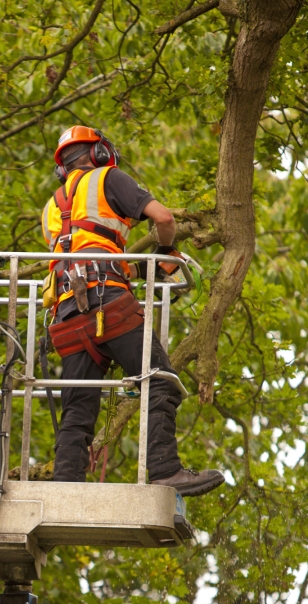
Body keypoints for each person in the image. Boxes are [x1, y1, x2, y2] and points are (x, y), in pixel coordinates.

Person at [41, 125, 224, 497]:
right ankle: (165, 471)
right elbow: (164, 219)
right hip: (107, 302)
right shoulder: (108, 177)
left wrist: (137, 269)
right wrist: (164, 252)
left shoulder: (52, 206)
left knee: (77, 407)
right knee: (160, 381)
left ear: (62, 168)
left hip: (66, 314)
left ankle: (64, 488)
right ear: (101, 153)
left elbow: (89, 251)